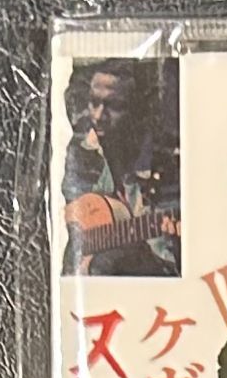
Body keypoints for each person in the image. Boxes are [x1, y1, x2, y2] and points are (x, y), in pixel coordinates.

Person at [62, 59, 181, 276]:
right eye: (94, 103)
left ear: (139, 112)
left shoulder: (169, 168)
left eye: (113, 106)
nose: (98, 116)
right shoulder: (81, 153)